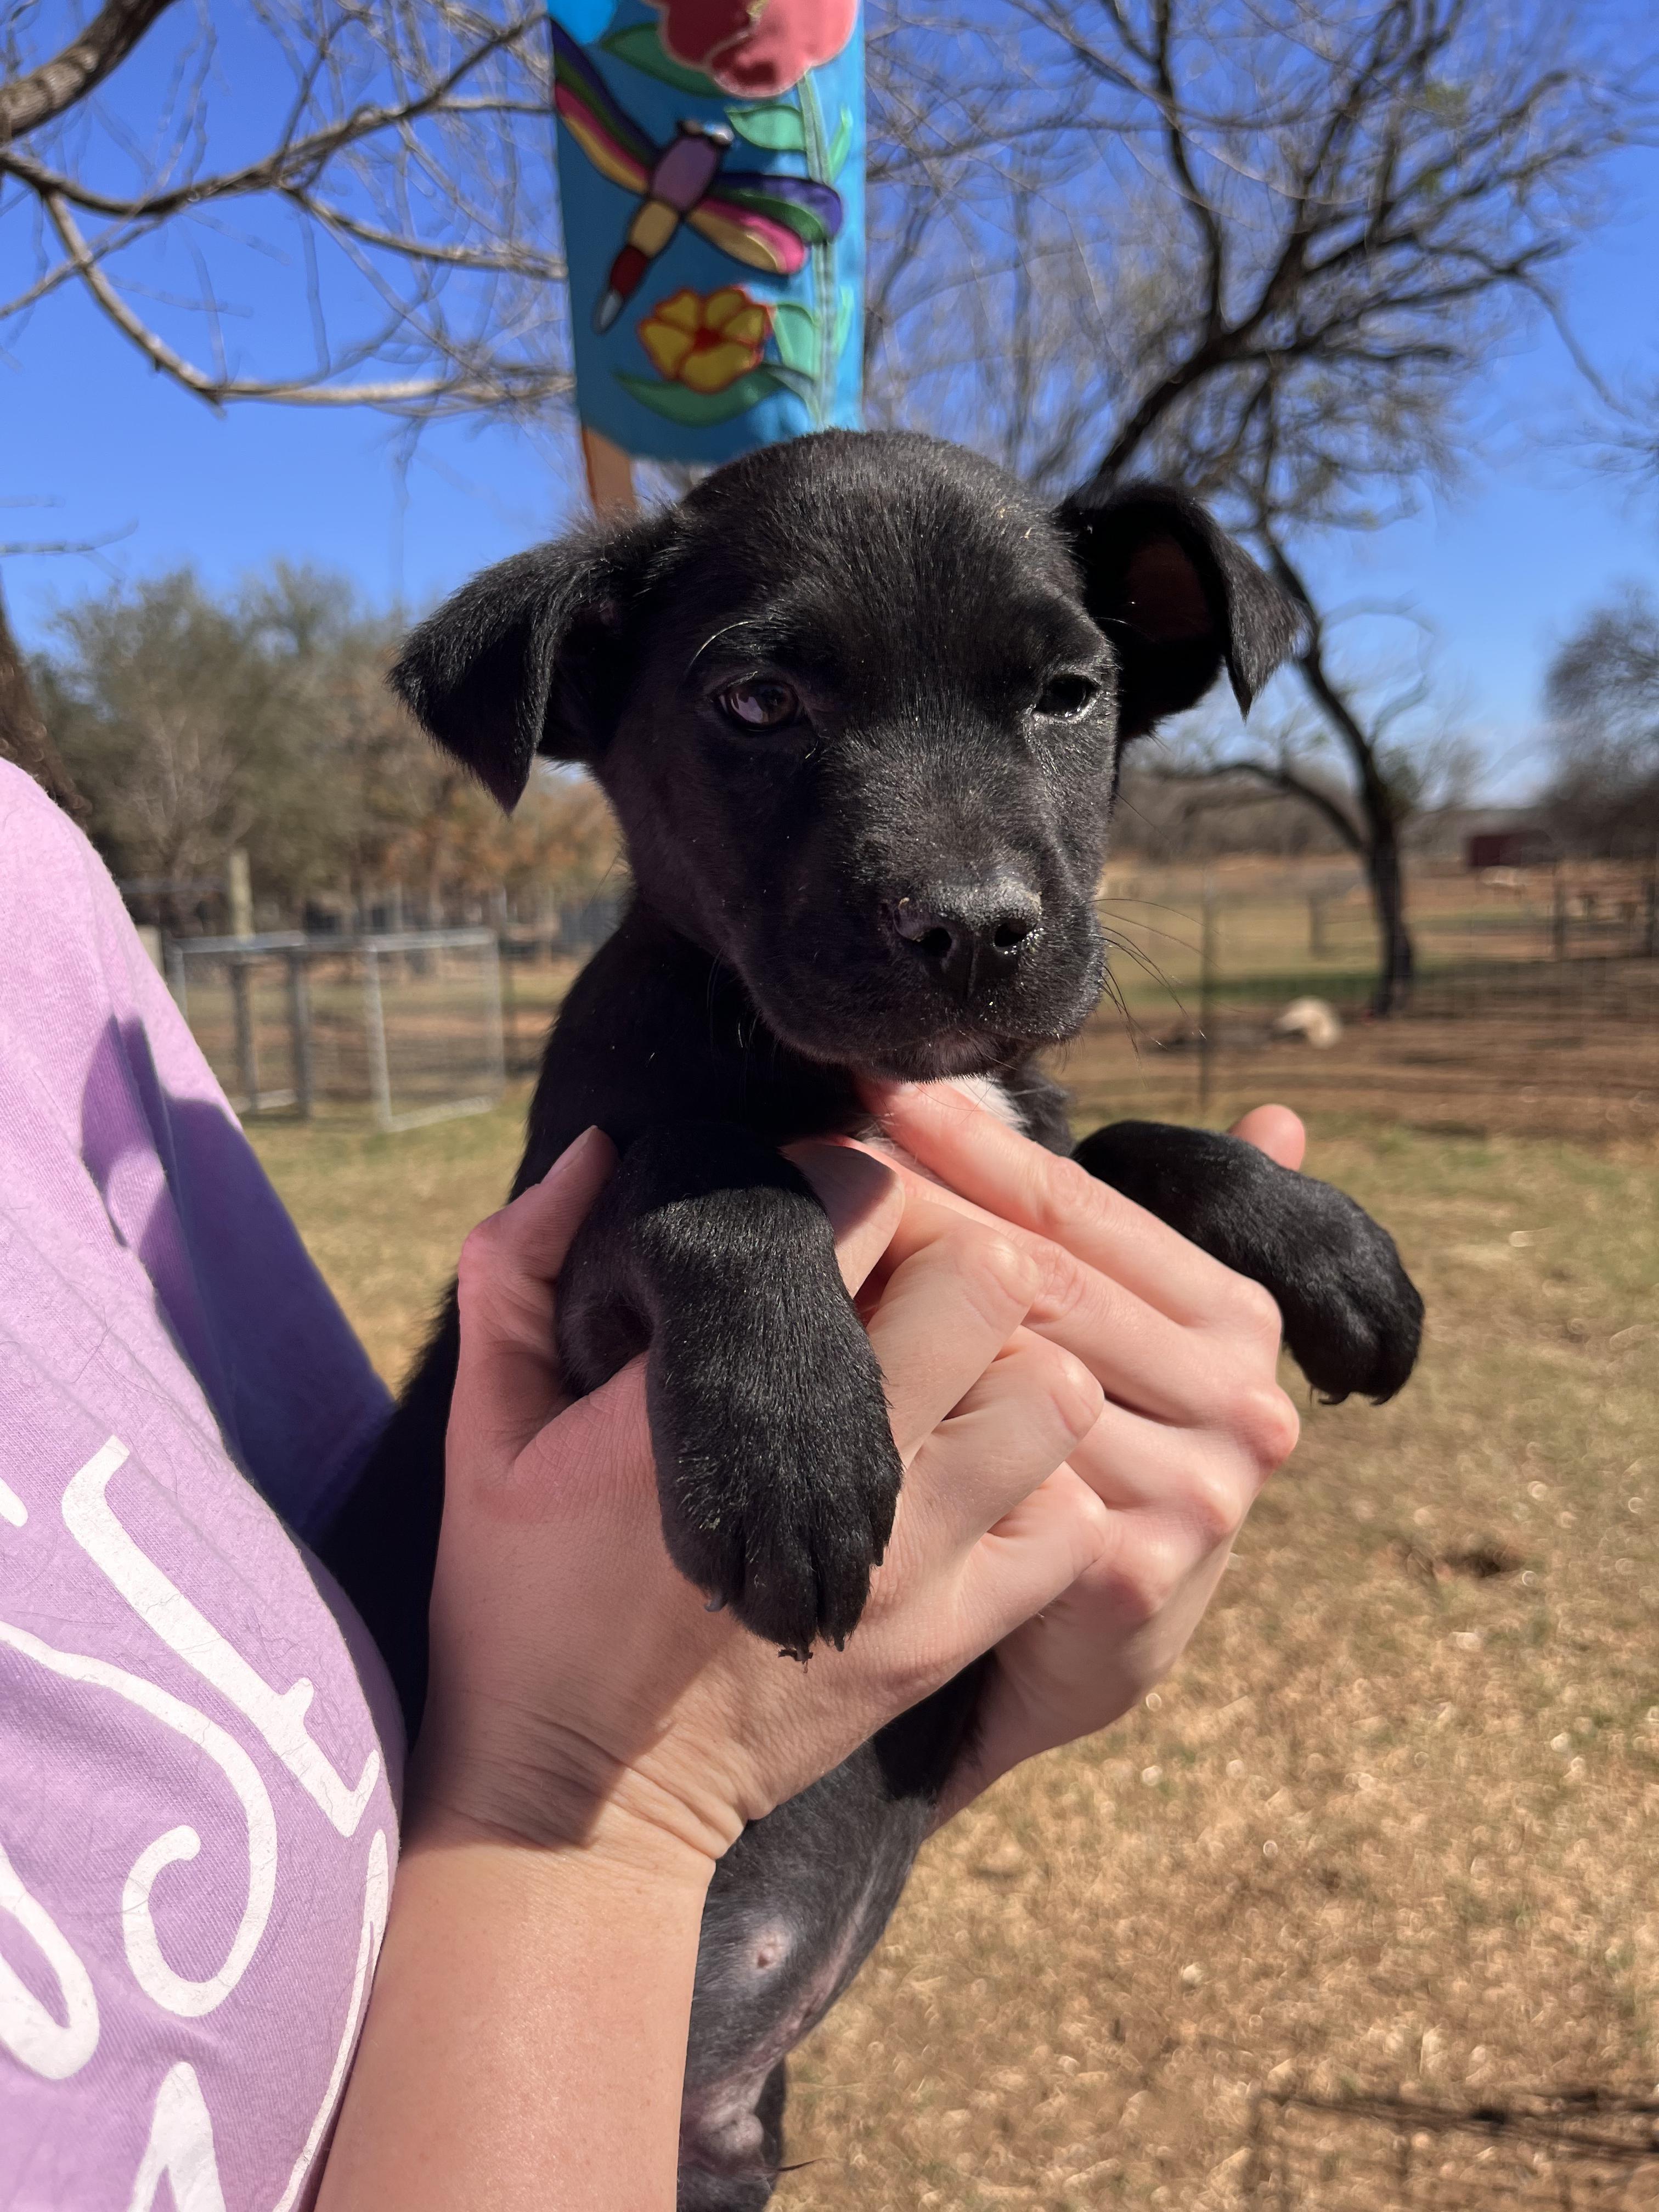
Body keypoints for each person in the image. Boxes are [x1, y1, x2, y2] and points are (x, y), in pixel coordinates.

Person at [0, 757, 1302, 2208]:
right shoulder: (652, 1059)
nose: (968, 873)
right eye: (762, 707)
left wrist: (976, 1693)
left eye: (1057, 694)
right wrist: (606, 1806)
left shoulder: (30, 903)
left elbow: (360, 1578)